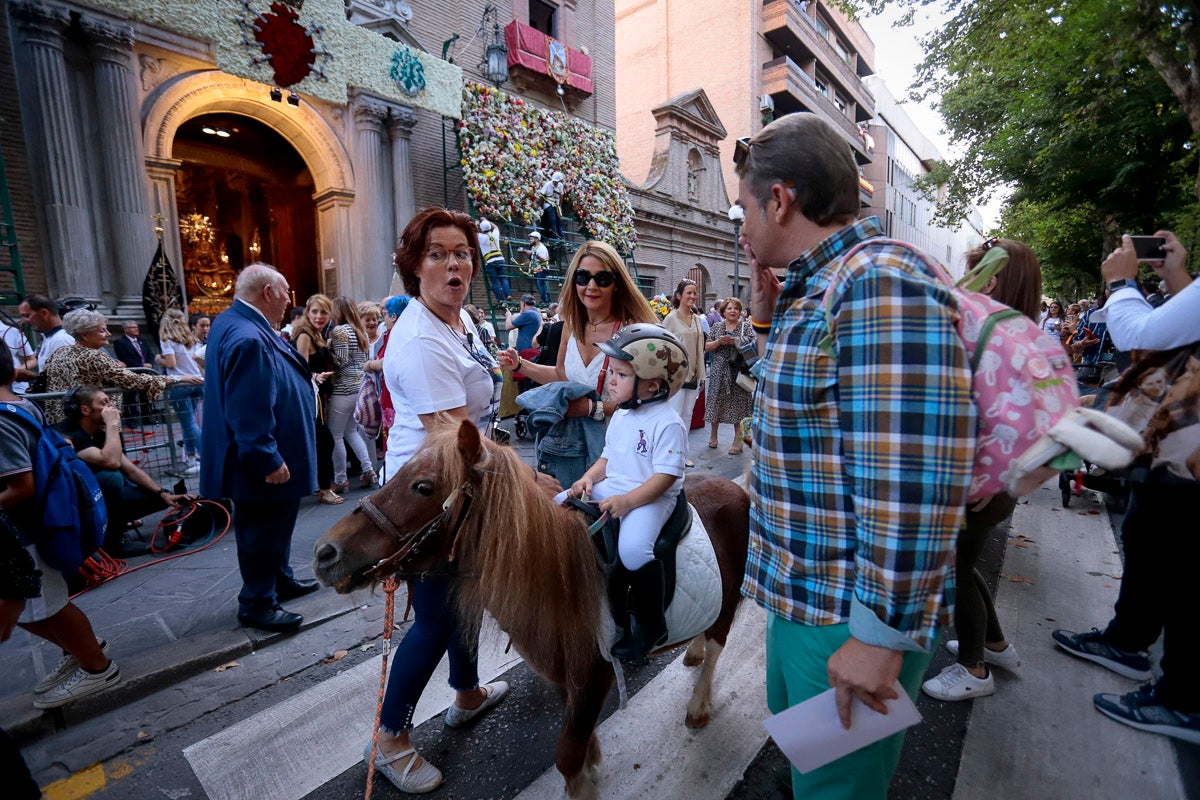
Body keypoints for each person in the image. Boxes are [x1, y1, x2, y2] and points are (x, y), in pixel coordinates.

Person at [736, 113, 975, 799]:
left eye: (744, 207)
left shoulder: (878, 280)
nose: (742, 226)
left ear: (779, 200)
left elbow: (914, 480)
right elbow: (804, 412)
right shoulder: (824, 285)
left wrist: (881, 634)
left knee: (837, 793)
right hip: (807, 602)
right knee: (813, 777)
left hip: (850, 615)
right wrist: (764, 320)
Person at [369, 208, 508, 793]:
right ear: (413, 266)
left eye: (462, 253)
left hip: (463, 484)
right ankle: (390, 737)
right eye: (437, 253)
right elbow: (451, 440)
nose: (454, 263)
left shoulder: (460, 320)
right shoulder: (422, 339)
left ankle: (468, 691)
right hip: (429, 498)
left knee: (462, 597)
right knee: (433, 617)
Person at [1052, 230, 1200, 744]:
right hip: (1180, 445)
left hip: (1188, 445)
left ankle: (1184, 702)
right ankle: (1128, 642)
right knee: (1149, 531)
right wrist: (1178, 277)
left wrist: (1120, 285)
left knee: (1185, 565)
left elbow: (1145, 336)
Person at [920, 237, 1043, 703]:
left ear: (991, 279)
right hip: (993, 479)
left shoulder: (993, 339)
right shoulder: (1015, 333)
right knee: (964, 564)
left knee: (955, 567)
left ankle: (973, 666)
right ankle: (994, 644)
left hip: (981, 482)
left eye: (971, 271)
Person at [0, 341, 121, 710]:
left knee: (44, 605)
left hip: (27, 529)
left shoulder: (2, 419)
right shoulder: (21, 404)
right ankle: (80, 651)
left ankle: (97, 666)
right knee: (35, 605)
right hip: (36, 524)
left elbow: (22, 486)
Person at [200, 263, 320, 633]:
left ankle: (278, 579)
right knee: (261, 531)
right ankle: (257, 602)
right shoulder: (249, 336)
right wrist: (267, 457)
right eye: (285, 293)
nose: (288, 301)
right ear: (267, 292)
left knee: (277, 524)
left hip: (264, 454)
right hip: (259, 461)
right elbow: (249, 408)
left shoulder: (236, 322)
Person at [564, 324, 689, 659]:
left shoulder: (668, 423)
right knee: (557, 505)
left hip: (650, 496)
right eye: (613, 373)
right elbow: (608, 457)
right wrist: (587, 479)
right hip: (617, 485)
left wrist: (627, 502)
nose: (611, 380)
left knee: (634, 550)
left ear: (652, 384)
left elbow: (664, 477)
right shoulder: (621, 414)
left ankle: (651, 624)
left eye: (620, 374)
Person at [496, 241, 657, 487]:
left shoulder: (633, 329)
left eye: (602, 278)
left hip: (617, 448)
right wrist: (520, 366)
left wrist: (592, 408)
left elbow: (647, 399)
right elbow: (562, 375)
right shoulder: (570, 325)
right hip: (566, 447)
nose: (591, 286)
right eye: (583, 277)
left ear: (616, 284)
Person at [54, 386, 192, 557]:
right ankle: (111, 542)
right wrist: (112, 424)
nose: (110, 406)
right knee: (111, 478)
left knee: (158, 498)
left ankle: (115, 527)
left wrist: (162, 493)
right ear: (84, 410)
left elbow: (130, 469)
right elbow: (111, 461)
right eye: (103, 403)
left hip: (96, 497)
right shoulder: (66, 434)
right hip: (75, 503)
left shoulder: (98, 432)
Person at [42, 309, 200, 424]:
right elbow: (131, 379)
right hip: (92, 422)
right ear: (84, 334)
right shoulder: (94, 355)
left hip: (63, 420)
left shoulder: (61, 352)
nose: (109, 334)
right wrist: (177, 378)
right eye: (102, 330)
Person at [291, 294, 341, 505]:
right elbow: (300, 368)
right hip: (311, 397)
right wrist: (315, 376)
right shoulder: (305, 335)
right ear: (307, 313)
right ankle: (324, 488)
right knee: (324, 441)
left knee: (321, 441)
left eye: (324, 312)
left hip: (319, 395)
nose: (319, 316)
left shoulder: (316, 334)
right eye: (315, 311)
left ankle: (319, 485)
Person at [328, 296, 377, 491]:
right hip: (360, 385)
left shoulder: (340, 331)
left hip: (344, 387)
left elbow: (341, 361)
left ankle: (341, 479)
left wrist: (327, 348)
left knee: (336, 434)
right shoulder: (360, 331)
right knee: (351, 431)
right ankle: (369, 469)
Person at [155, 309, 205, 475]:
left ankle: (205, 458)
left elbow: (171, 363)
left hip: (180, 383)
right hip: (197, 381)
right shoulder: (191, 339)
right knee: (188, 423)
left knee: (189, 422)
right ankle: (191, 457)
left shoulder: (167, 339)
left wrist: (158, 359)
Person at [703, 296, 754, 454]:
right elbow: (707, 346)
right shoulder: (717, 326)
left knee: (739, 406)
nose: (733, 311)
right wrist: (720, 342)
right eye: (729, 308)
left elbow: (753, 344)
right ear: (723, 311)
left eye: (736, 308)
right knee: (716, 402)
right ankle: (713, 436)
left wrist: (735, 341)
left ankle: (738, 440)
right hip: (719, 369)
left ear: (740, 312)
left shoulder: (745, 326)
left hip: (738, 370)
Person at [662, 279, 706, 450]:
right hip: (675, 376)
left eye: (694, 293)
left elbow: (700, 348)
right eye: (689, 293)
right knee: (675, 415)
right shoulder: (670, 319)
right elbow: (663, 347)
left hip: (693, 375)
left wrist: (701, 375)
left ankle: (682, 452)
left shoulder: (696, 319)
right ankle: (670, 451)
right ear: (679, 296)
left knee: (688, 415)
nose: (693, 296)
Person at [16, 294, 74, 380]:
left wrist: (33, 377)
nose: (24, 321)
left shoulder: (61, 340)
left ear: (44, 313)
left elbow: (65, 378)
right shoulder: (50, 338)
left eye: (27, 316)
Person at [477, 218, 511, 301]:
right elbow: (495, 227)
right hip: (500, 259)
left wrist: (476, 223)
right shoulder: (495, 234)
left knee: (495, 282)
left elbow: (473, 230)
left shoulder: (480, 237)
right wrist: (487, 221)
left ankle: (500, 299)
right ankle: (508, 295)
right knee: (503, 278)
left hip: (490, 261)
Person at [538, 170, 566, 240]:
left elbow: (561, 196)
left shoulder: (560, 185)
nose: (556, 183)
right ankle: (555, 236)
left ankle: (561, 236)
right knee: (552, 219)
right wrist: (540, 206)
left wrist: (560, 206)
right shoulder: (548, 184)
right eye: (555, 182)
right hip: (548, 203)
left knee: (558, 221)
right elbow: (542, 195)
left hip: (556, 204)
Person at [525, 231, 551, 303]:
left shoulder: (542, 247)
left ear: (536, 239)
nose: (530, 240)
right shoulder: (534, 247)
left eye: (531, 239)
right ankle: (545, 300)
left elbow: (542, 259)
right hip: (537, 268)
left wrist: (533, 253)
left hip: (541, 268)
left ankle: (545, 300)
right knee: (539, 284)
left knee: (540, 284)